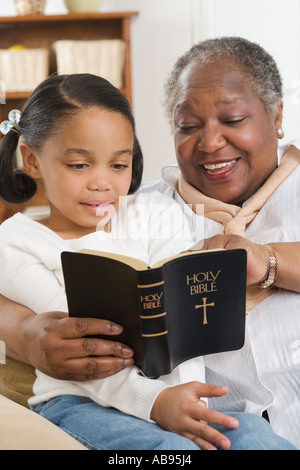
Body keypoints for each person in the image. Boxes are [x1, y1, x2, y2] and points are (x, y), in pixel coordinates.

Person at [0, 73, 295, 451]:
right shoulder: (16, 243)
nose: (102, 183)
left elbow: (182, 326)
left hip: (174, 399)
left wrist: (190, 401)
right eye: (79, 165)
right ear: (32, 160)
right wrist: (154, 403)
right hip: (82, 402)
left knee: (258, 438)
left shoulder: (152, 213)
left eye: (118, 166)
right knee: (175, 454)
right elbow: (83, 351)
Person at [140, 36, 300, 448]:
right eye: (188, 126)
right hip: (217, 436)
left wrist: (267, 261)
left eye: (231, 120)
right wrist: (27, 332)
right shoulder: (140, 211)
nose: (209, 143)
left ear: (277, 114)